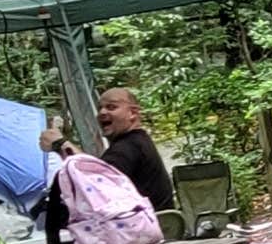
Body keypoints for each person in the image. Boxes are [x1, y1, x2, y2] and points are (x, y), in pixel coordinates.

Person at [44, 86, 175, 211]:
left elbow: (92, 184)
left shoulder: (129, 147)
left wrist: (61, 144)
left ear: (133, 113)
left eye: (111, 107)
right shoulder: (137, 140)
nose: (102, 112)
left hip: (142, 229)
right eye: (99, 108)